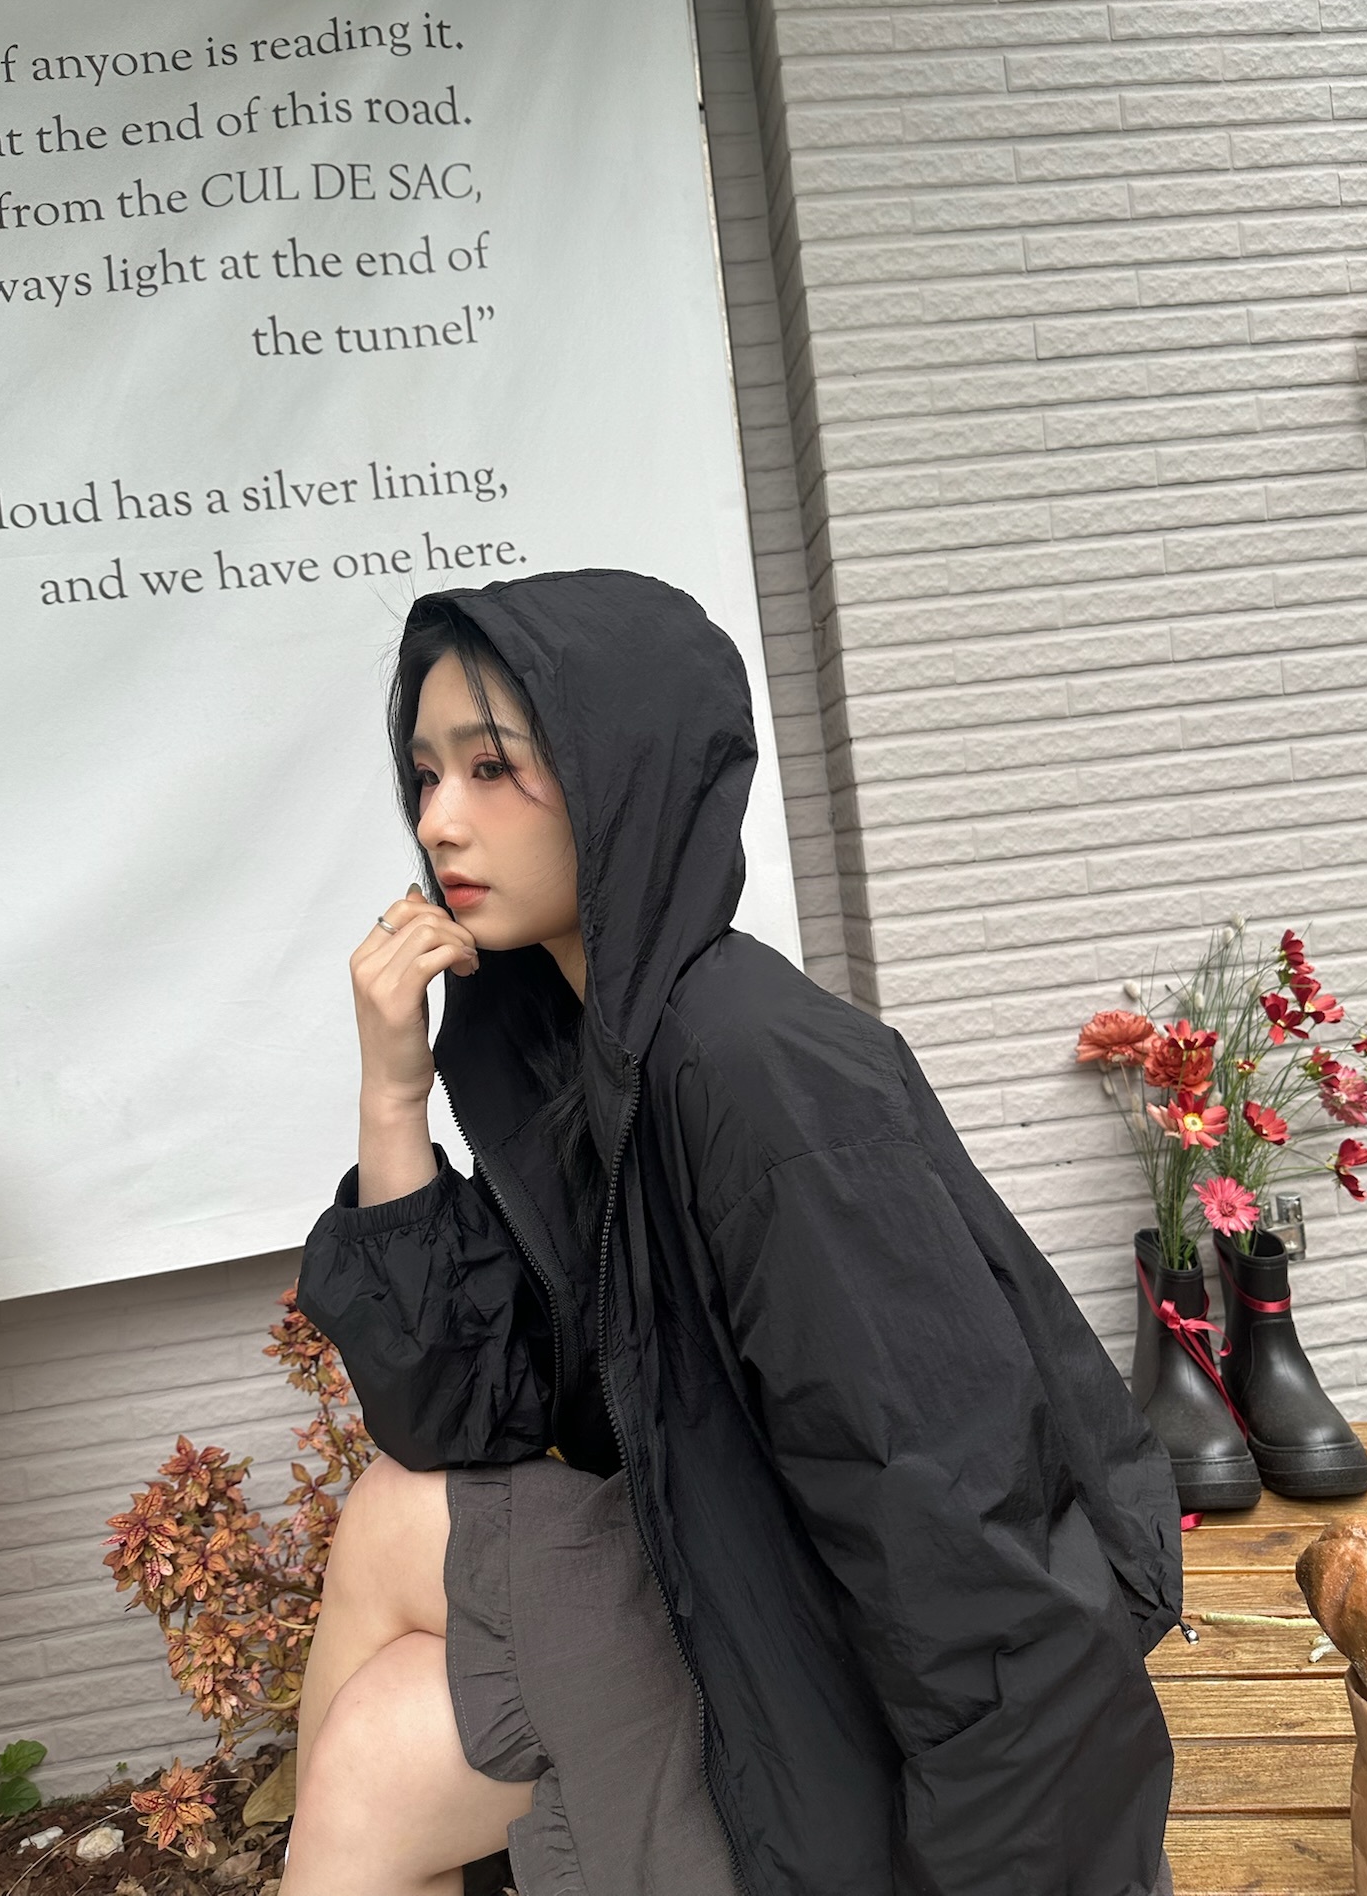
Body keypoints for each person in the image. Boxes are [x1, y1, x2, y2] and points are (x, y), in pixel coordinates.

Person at [286, 570, 1182, 1896]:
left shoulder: (757, 1073)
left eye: (492, 766)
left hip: (827, 1698)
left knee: (375, 1760)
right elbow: (453, 1416)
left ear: (623, 775)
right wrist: (392, 1091)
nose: (438, 820)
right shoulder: (570, 1051)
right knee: (386, 1521)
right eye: (424, 775)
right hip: (719, 1569)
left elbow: (959, 1529)